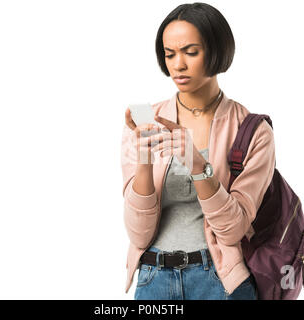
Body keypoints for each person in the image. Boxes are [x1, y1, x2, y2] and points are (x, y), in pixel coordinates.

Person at [121, 2, 275, 300]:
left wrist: (198, 166)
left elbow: (233, 230)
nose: (178, 64)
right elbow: (138, 234)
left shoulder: (252, 131)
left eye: (191, 52)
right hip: (153, 280)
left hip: (220, 282)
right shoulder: (144, 123)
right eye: (169, 54)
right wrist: (144, 161)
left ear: (217, 50)